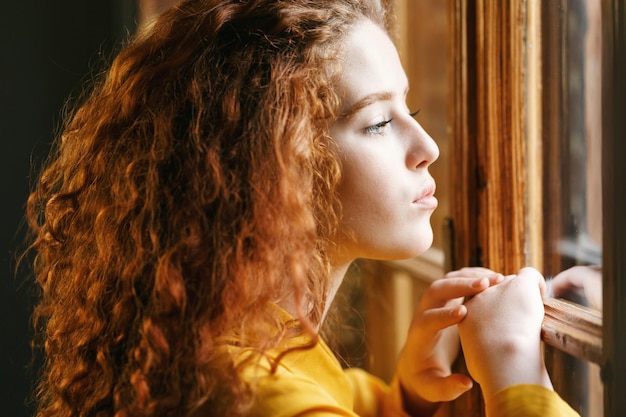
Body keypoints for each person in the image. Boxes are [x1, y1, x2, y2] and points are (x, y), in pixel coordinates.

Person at [26, 0, 579, 416]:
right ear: (275, 164)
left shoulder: (249, 347)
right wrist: (514, 372)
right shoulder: (270, 396)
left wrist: (405, 398)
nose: (428, 148)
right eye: (379, 121)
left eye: (407, 108)